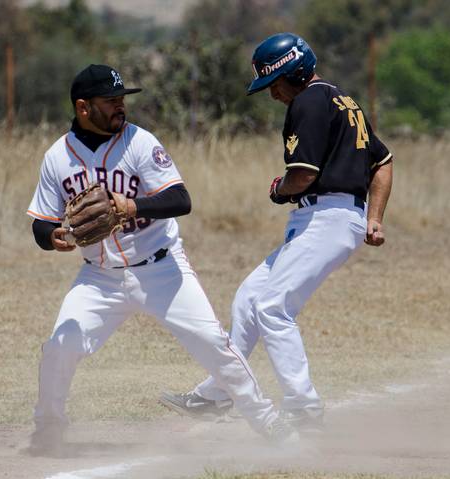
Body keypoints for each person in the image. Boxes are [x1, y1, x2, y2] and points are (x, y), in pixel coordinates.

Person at [25, 64, 294, 455]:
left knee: (213, 343)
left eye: (123, 99)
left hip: (162, 269)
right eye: (111, 101)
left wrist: (131, 204)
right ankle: (48, 429)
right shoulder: (57, 157)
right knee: (59, 347)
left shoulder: (139, 142)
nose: (121, 107)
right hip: (99, 278)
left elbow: (180, 200)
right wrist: (53, 237)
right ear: (83, 107)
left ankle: (269, 422)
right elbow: (41, 225)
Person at [160, 33, 393, 430]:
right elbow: (383, 161)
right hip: (333, 217)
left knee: (272, 307)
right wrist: (374, 218)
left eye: (275, 84)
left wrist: (278, 190)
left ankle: (303, 406)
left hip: (327, 217)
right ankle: (217, 394)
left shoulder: (308, 101)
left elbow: (302, 175)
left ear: (296, 72)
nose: (273, 95)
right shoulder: (342, 99)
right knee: (249, 299)